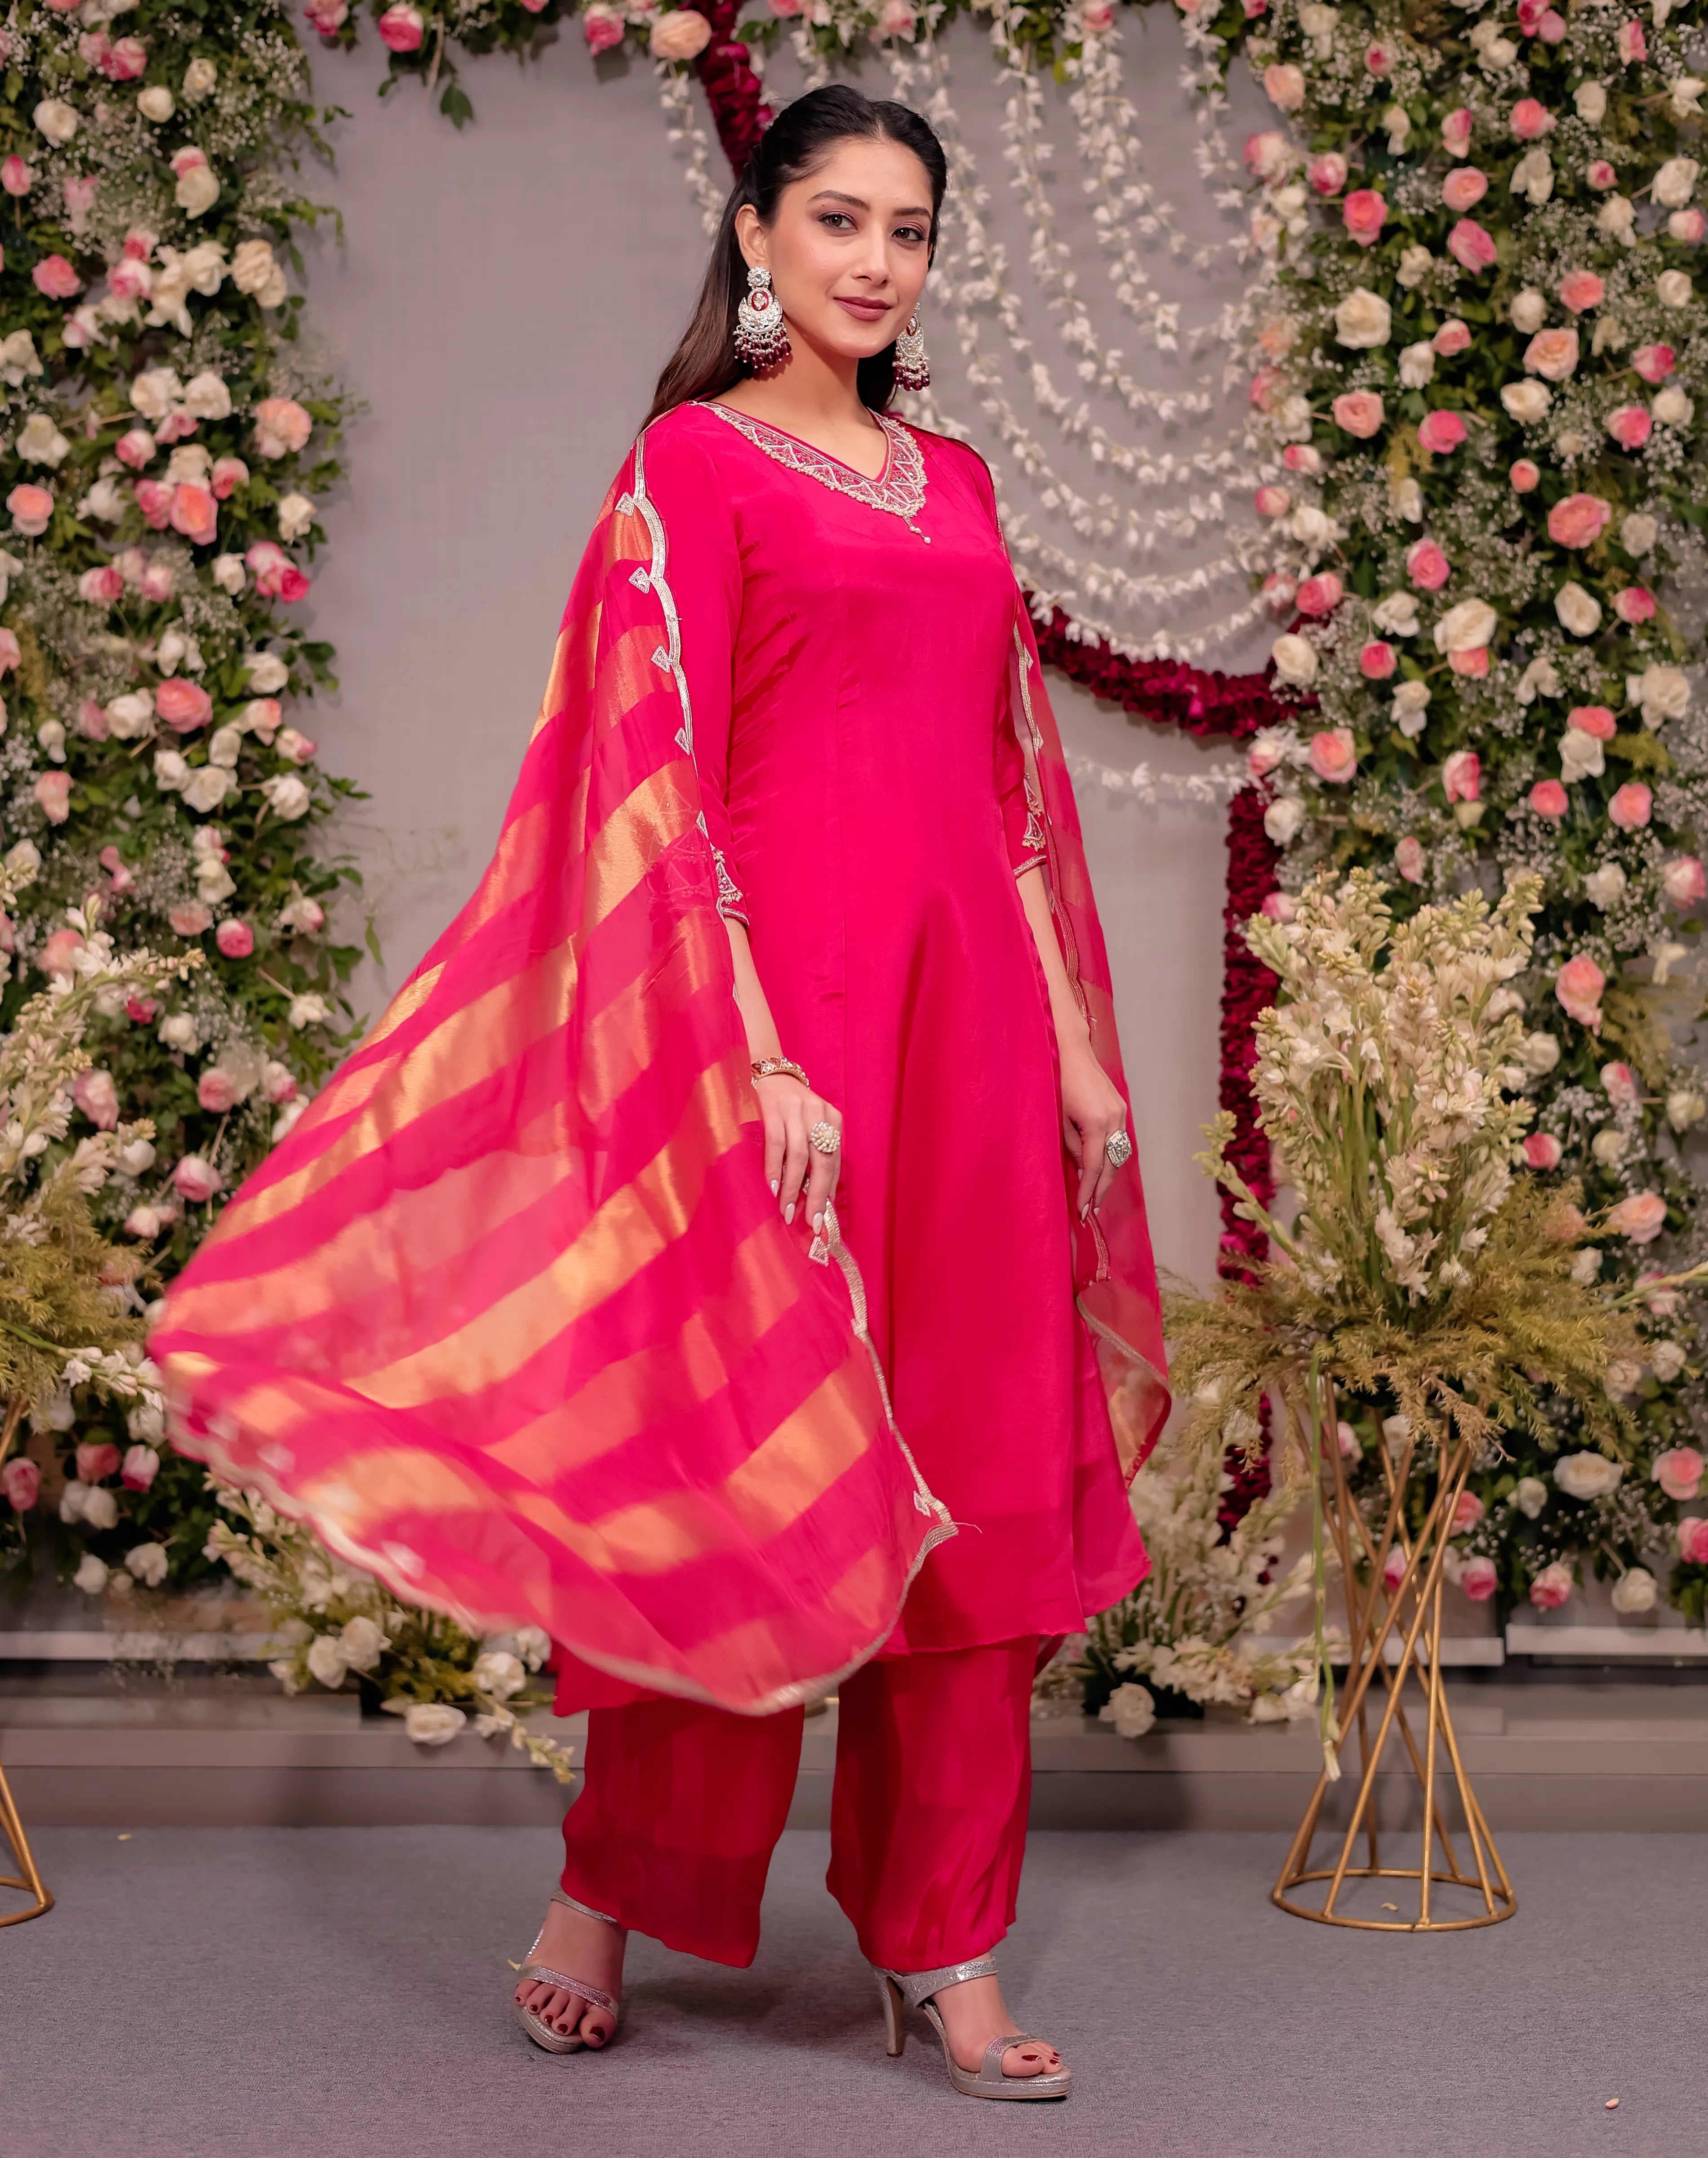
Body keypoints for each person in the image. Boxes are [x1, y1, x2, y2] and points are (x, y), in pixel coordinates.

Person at [153, 85, 1165, 2105]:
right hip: (767, 1031)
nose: (874, 260)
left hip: (965, 1034)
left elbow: (1012, 791)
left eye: (908, 229)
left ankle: (942, 1947)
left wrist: (1064, 1039)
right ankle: (606, 1894)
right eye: (838, 221)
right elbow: (648, 776)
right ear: (753, 233)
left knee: (969, 1475)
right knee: (728, 1466)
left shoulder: (953, 483)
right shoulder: (691, 469)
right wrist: (756, 1053)